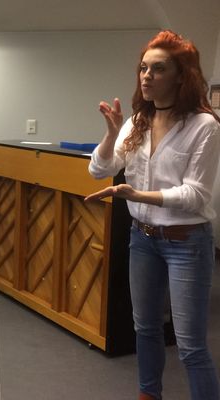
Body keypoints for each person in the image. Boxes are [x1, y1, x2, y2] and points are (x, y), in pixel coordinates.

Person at [86, 30, 220, 400]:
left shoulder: (204, 126)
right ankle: (149, 394)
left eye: (158, 69)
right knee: (144, 328)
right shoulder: (137, 121)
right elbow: (100, 169)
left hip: (186, 243)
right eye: (143, 68)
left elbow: (196, 195)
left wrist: (137, 194)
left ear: (182, 75)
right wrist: (111, 133)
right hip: (142, 239)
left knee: (190, 345)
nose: (146, 76)